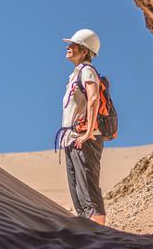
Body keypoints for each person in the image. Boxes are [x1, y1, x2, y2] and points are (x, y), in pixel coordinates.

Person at [59, 28, 106, 225]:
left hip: (84, 138)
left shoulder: (87, 71)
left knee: (88, 192)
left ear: (85, 50)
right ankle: (88, 235)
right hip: (72, 139)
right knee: (78, 192)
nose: (68, 48)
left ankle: (101, 239)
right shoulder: (75, 74)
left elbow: (94, 97)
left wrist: (88, 132)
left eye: (73, 45)